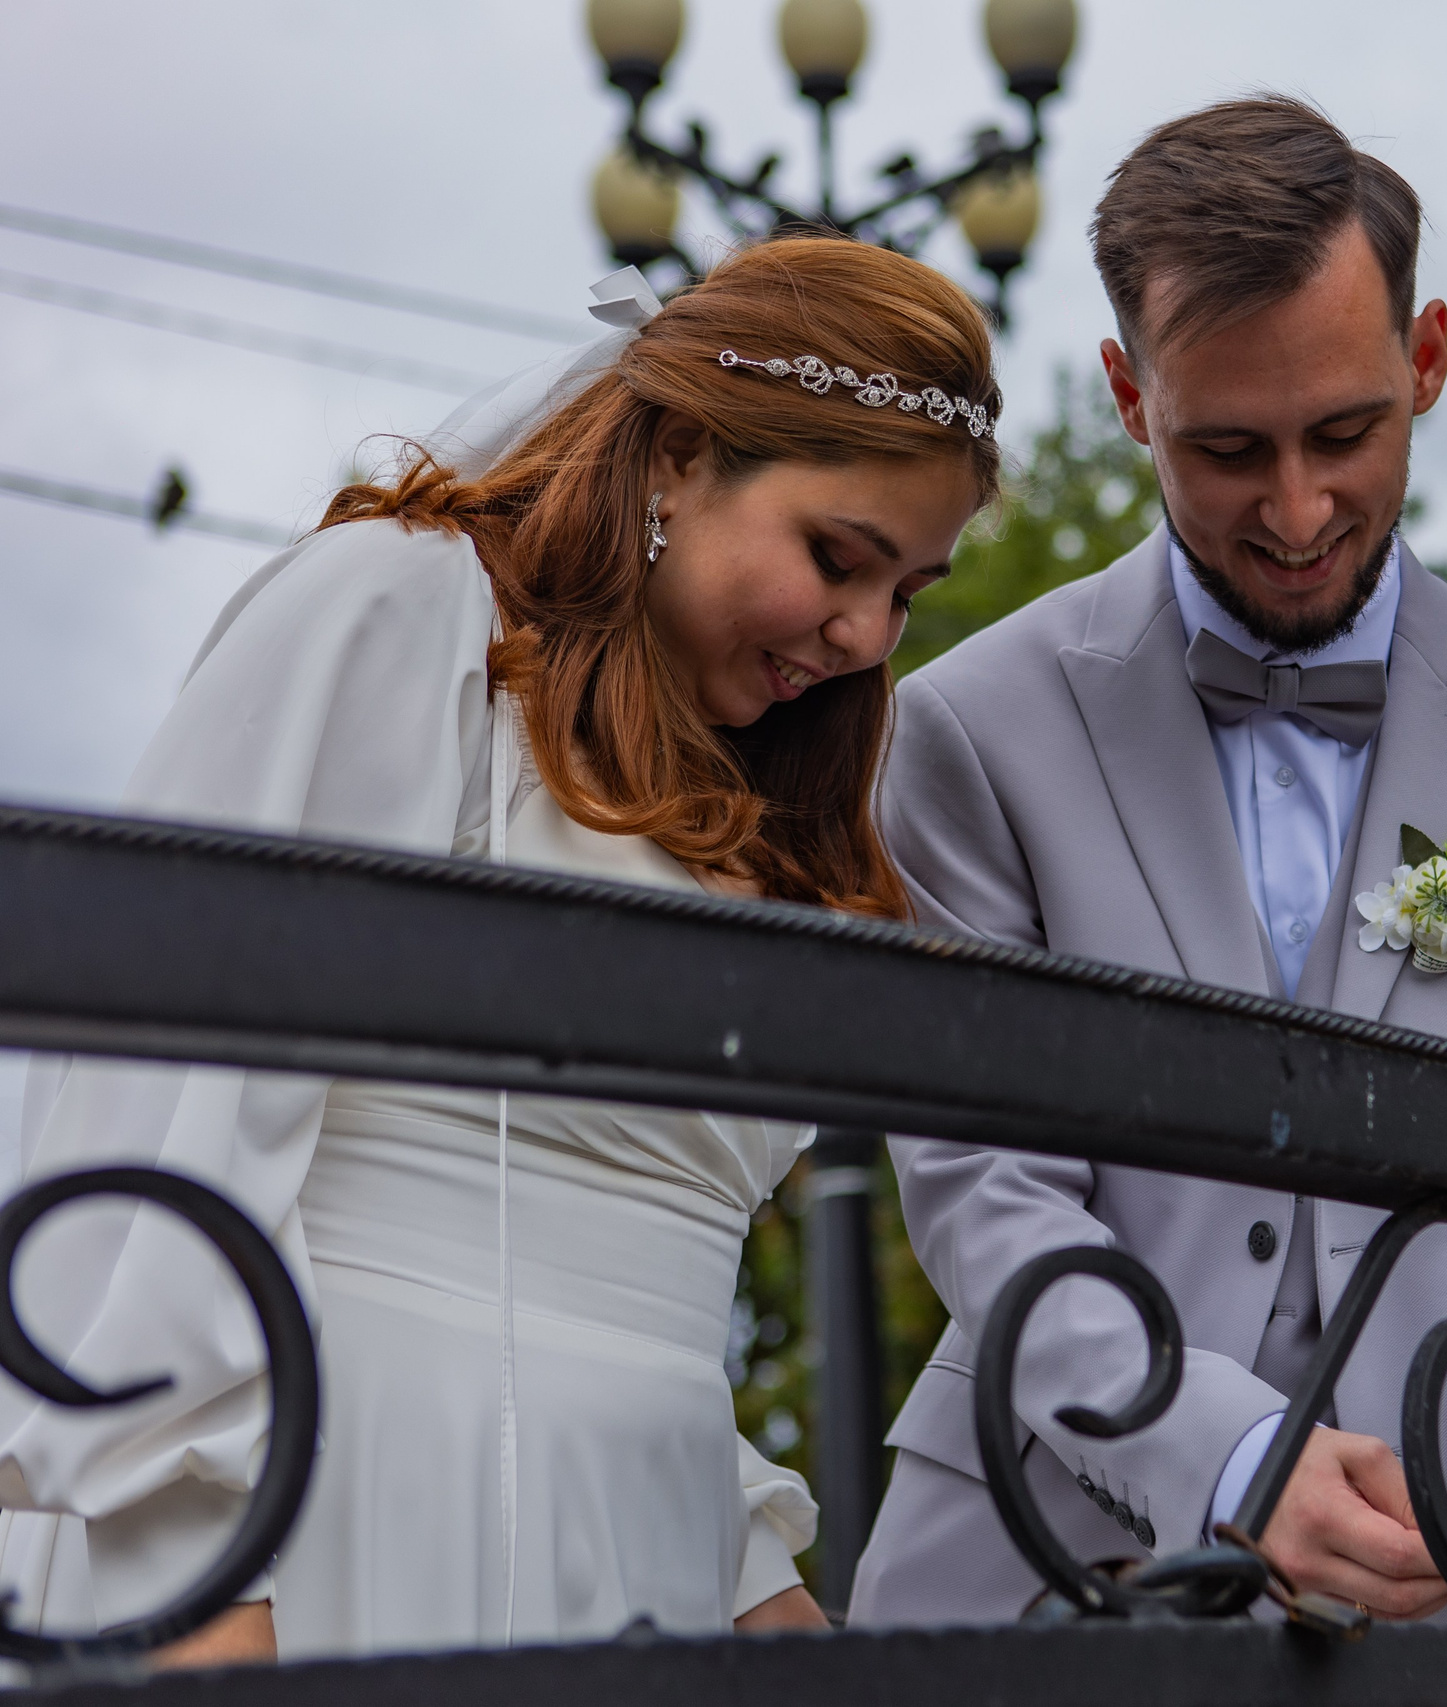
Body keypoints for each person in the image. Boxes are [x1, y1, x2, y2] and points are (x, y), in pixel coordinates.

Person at [0, 237, 999, 1664]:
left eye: (907, 591)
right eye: (839, 558)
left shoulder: (748, 810)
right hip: (351, 1504)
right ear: (680, 458)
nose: (863, 637)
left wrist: (752, 1585)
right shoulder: (401, 614)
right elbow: (164, 1125)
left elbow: (627, 1280)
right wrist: (198, 1601)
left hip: (639, 1547)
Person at [849, 97, 1447, 1626]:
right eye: (1227, 449)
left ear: (1431, 361)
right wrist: (1233, 1459)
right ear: (1132, 399)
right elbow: (986, 1197)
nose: (1297, 509)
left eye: (1346, 432)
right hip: (1035, 1575)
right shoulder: (965, 733)